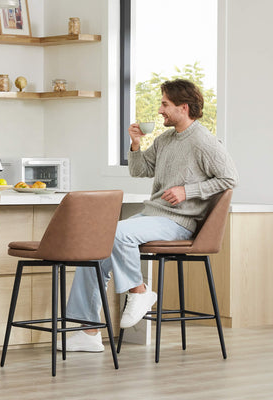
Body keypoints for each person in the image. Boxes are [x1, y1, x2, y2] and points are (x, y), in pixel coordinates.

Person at [61, 79, 239, 352]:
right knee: (94, 247)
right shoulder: (165, 139)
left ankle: (139, 292)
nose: (159, 110)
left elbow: (229, 178)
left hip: (179, 223)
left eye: (165, 104)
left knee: (118, 233)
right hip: (153, 216)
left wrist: (187, 191)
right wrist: (135, 145)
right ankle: (88, 331)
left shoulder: (204, 141)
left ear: (184, 107)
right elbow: (140, 170)